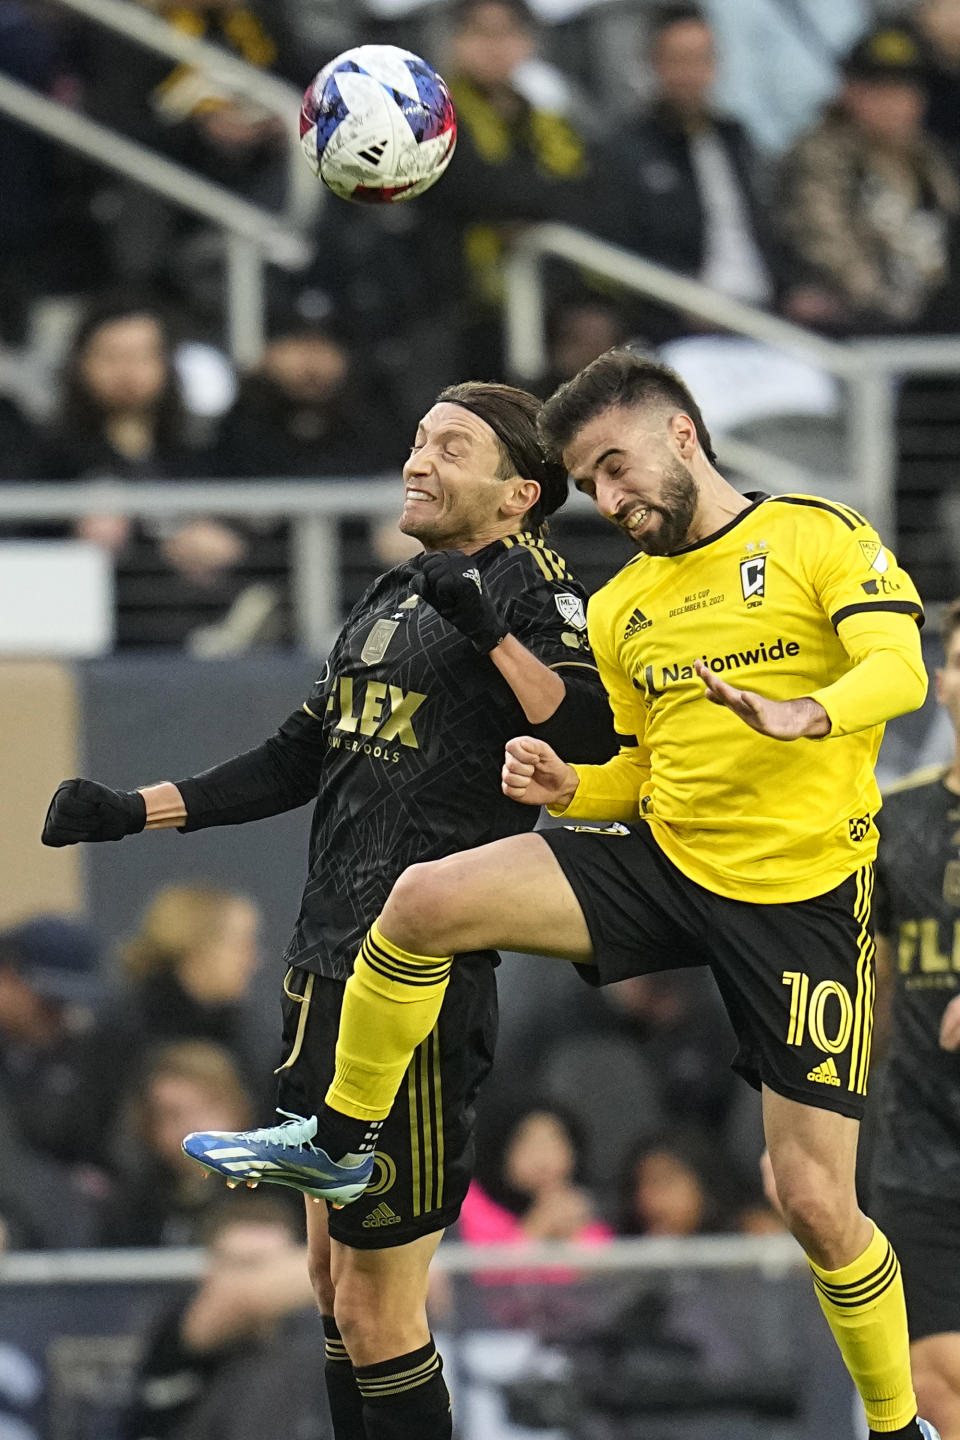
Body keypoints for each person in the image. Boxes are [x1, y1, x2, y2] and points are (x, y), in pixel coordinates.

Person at [239, 349, 937, 1440]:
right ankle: (339, 1131)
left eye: (618, 467)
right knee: (420, 903)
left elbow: (901, 668)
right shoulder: (624, 605)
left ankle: (899, 1429)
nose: (609, 499)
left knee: (813, 1200)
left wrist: (813, 713)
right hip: (662, 862)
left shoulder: (815, 534)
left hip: (797, 898)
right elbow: (639, 772)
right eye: (591, 482)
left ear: (683, 436)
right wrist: (575, 784)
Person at [41, 380, 615, 1440]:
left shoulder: (538, 590)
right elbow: (294, 758)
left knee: (382, 1310)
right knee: (331, 1293)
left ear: (517, 494)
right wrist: (134, 810)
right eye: (414, 438)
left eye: (450, 446)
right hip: (324, 970)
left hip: (425, 983)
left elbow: (586, 735)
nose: (416, 459)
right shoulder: (395, 589)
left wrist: (488, 631)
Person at [868, 596, 960, 1440]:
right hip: (920, 1143)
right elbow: (877, 986)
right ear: (943, 681)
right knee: (935, 1383)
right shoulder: (897, 822)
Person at [599, 3, 780, 335]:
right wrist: (680, 297)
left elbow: (771, 229)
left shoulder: (736, 138)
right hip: (680, 323)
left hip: (768, 315)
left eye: (702, 59)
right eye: (678, 60)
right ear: (653, 65)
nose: (690, 74)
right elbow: (624, 246)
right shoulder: (626, 148)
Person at [778, 23, 960, 333]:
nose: (894, 103)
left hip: (937, 321)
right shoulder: (820, 157)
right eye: (878, 89)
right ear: (849, 90)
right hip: (864, 328)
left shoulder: (931, 161)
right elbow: (830, 250)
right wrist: (901, 313)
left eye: (905, 89)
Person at [123, 1193, 324, 1440]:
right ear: (210, 1269)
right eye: (243, 1265)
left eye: (271, 1268)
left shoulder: (303, 1335)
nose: (265, 1282)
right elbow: (246, 1300)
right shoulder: (181, 1322)